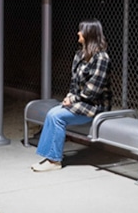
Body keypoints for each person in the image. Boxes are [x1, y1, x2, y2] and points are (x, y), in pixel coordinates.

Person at [32, 18, 112, 172]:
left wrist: (73, 99)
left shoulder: (102, 58)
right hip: (81, 103)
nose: (78, 33)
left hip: (95, 106)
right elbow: (74, 83)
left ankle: (54, 161)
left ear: (90, 34)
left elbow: (92, 91)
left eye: (81, 30)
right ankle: (49, 157)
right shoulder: (79, 55)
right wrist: (69, 96)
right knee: (52, 113)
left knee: (57, 117)